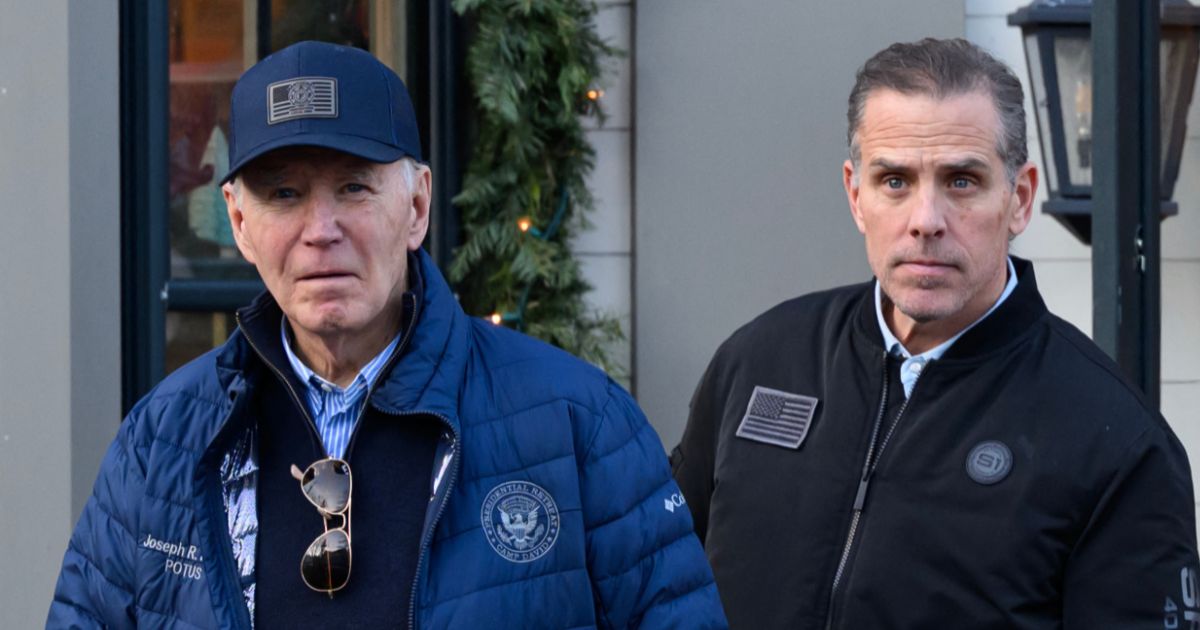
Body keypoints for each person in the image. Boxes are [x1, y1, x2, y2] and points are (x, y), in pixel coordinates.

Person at [49, 41, 726, 629]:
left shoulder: (580, 425)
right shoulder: (163, 442)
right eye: (283, 194)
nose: (321, 229)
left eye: (353, 188)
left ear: (418, 206)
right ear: (238, 220)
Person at [672, 37, 1199, 628]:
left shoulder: (1116, 442)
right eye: (894, 181)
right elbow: (656, 583)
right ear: (855, 195)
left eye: (961, 181)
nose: (925, 221)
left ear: (1019, 199)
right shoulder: (759, 362)